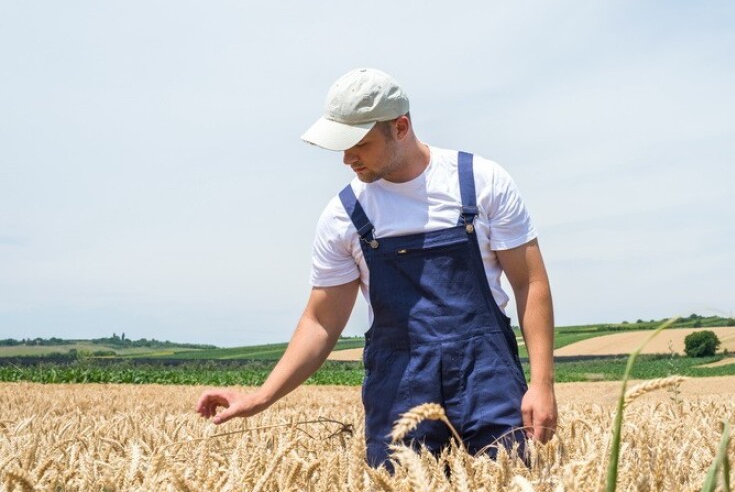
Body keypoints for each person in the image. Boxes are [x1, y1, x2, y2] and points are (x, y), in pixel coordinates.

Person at [195, 68, 557, 468]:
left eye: (359, 144)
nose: (347, 158)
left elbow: (530, 283)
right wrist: (261, 396)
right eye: (341, 146)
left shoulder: (482, 182)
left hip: (486, 374)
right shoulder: (344, 216)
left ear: (400, 127)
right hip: (400, 384)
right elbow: (320, 322)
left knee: (511, 475)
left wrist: (542, 383)